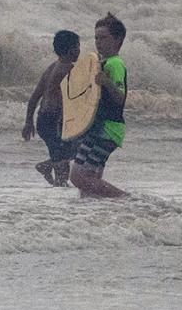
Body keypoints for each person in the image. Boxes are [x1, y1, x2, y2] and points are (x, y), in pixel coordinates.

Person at [68, 14, 130, 200]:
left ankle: (125, 198)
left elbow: (120, 98)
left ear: (118, 40)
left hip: (108, 129)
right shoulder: (101, 63)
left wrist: (106, 82)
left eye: (103, 38)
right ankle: (95, 213)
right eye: (96, 38)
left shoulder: (115, 64)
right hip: (98, 128)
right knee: (90, 183)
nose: (98, 42)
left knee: (78, 177)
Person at [22, 29, 80, 186]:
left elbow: (34, 97)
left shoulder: (51, 67)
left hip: (43, 120)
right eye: (78, 46)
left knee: (64, 154)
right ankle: (60, 187)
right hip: (54, 120)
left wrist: (29, 122)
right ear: (71, 49)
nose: (79, 50)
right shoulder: (69, 69)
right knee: (66, 159)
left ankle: (47, 167)